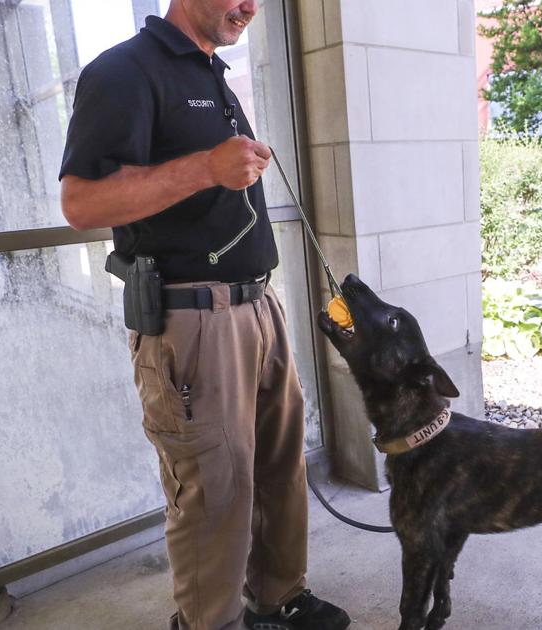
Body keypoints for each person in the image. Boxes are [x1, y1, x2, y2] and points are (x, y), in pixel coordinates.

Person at [58, 2, 350, 628]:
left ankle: (277, 597)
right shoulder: (125, 70)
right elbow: (81, 203)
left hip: (258, 306)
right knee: (214, 490)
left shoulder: (212, 74)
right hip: (194, 320)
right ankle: (208, 622)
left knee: (279, 468)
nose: (250, 6)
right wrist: (205, 168)